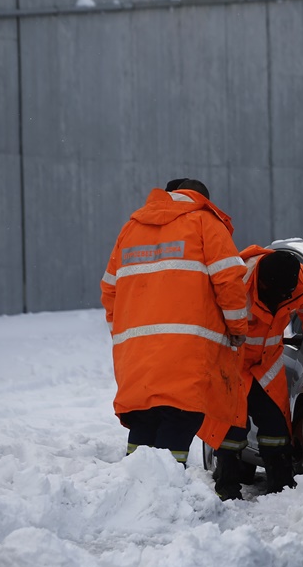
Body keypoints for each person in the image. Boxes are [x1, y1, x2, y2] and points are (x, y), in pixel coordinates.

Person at [100, 178, 248, 466]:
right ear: (202, 198)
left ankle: (134, 489)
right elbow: (229, 281)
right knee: (179, 417)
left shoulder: (131, 228)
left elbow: (110, 289)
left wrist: (123, 333)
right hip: (187, 352)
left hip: (137, 353)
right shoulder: (205, 222)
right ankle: (164, 490)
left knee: (144, 417)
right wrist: (237, 328)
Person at [210, 247, 303, 500]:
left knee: (276, 428)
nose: (283, 299)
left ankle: (280, 488)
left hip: (267, 365)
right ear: (264, 286)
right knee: (231, 428)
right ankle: (227, 487)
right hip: (233, 364)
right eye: (277, 295)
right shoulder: (237, 283)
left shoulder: (298, 280)